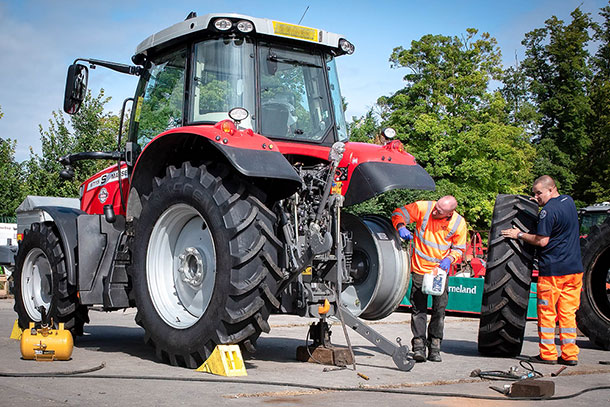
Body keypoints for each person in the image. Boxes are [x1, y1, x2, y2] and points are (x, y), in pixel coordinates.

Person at [501, 175, 583, 366]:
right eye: (534, 194)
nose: (536, 197)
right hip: (574, 271)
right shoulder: (568, 201)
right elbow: (557, 216)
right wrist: (537, 203)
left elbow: (542, 240)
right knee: (568, 313)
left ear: (551, 190)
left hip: (553, 272)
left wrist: (519, 234)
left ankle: (548, 354)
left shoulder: (547, 212)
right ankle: (570, 355)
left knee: (547, 313)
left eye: (539, 193)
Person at [392, 196, 467, 362]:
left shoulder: (458, 223)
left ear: (450, 213)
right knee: (418, 309)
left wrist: (450, 259)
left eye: (440, 211)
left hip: (439, 273)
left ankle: (435, 345)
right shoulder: (424, 207)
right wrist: (401, 226)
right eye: (436, 207)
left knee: (439, 310)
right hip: (420, 269)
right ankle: (419, 345)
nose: (435, 211)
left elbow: (459, 249)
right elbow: (398, 213)